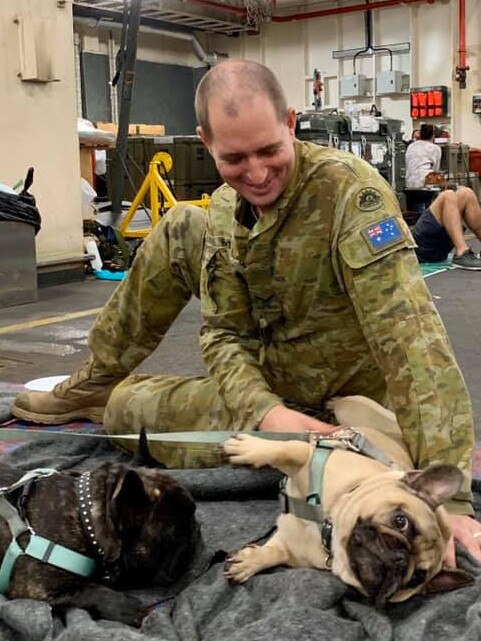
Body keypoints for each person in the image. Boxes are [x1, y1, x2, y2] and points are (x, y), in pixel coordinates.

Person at [10, 60, 481, 563]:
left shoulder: (350, 197)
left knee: (132, 413)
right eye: (234, 158)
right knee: (129, 383)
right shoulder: (221, 214)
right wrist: (265, 412)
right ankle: (95, 382)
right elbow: (223, 334)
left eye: (270, 151)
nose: (256, 174)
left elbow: (412, 342)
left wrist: (447, 499)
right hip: (268, 395)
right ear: (205, 142)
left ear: (291, 123)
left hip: (343, 410)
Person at [412, 186, 481, 269]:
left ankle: (462, 253)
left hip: (439, 248)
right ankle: (462, 252)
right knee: (448, 195)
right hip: (420, 248)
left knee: (466, 193)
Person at [405, 123, 442, 188]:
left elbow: (408, 164)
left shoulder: (411, 146)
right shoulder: (435, 148)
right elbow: (436, 169)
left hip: (410, 182)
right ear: (432, 136)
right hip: (426, 183)